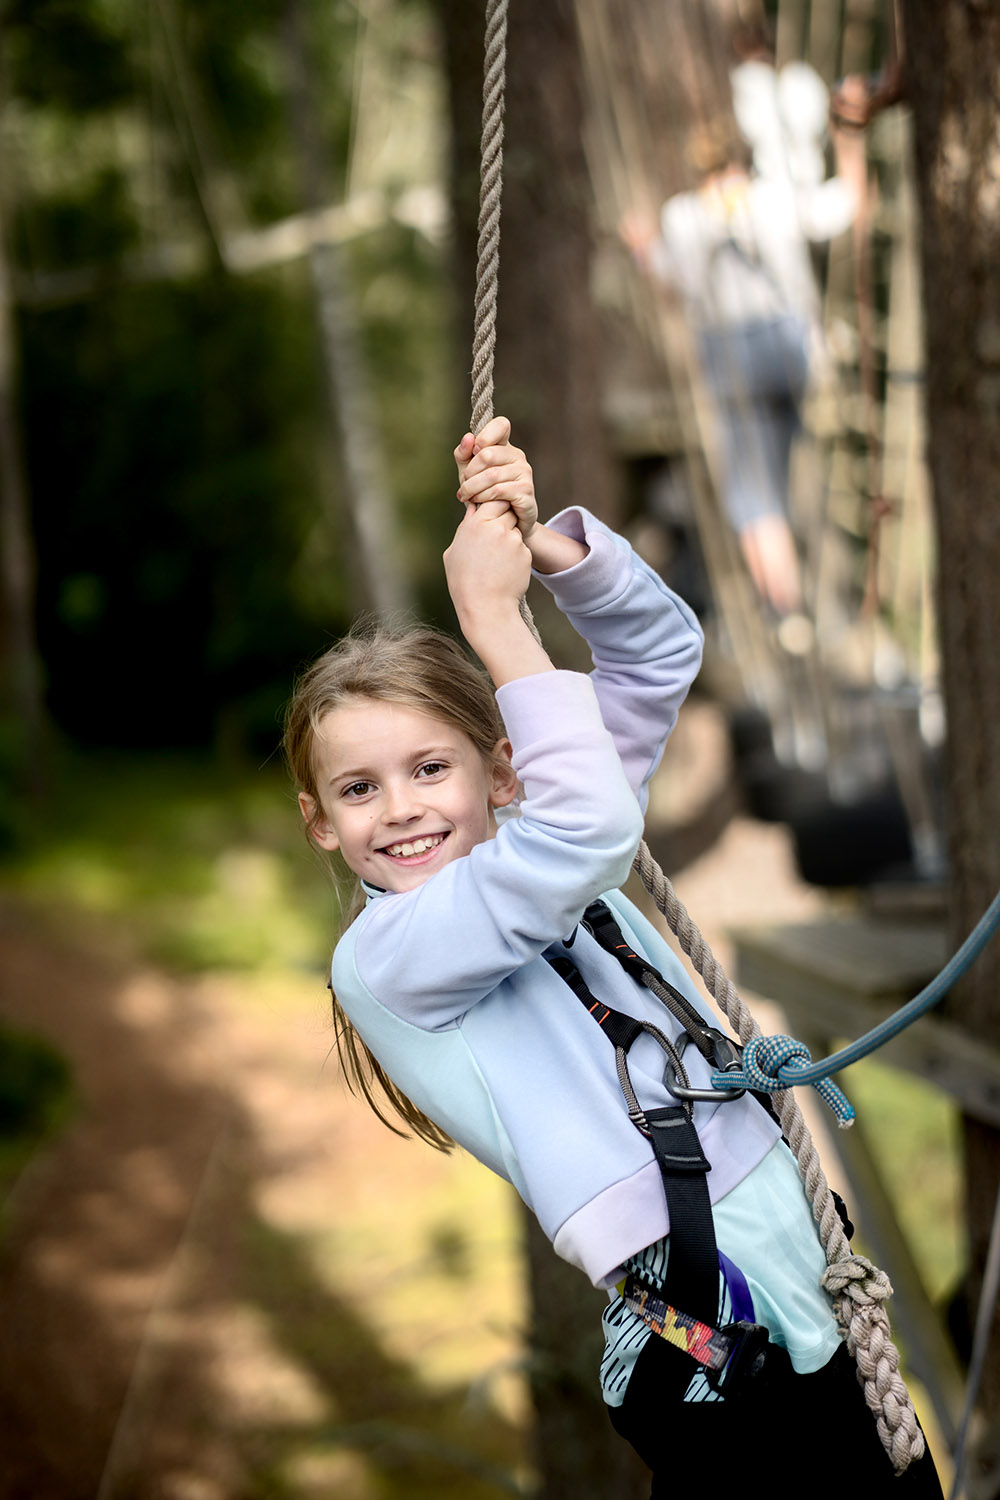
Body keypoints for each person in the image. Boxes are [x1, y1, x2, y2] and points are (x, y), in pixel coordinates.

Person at [283, 419, 941, 1496]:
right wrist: (493, 622)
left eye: (429, 769)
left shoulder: (542, 817)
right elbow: (580, 837)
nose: (399, 810)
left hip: (783, 1239)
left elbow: (660, 654)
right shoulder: (390, 956)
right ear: (321, 823)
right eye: (359, 790)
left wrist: (548, 549)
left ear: (499, 771)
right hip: (703, 1301)